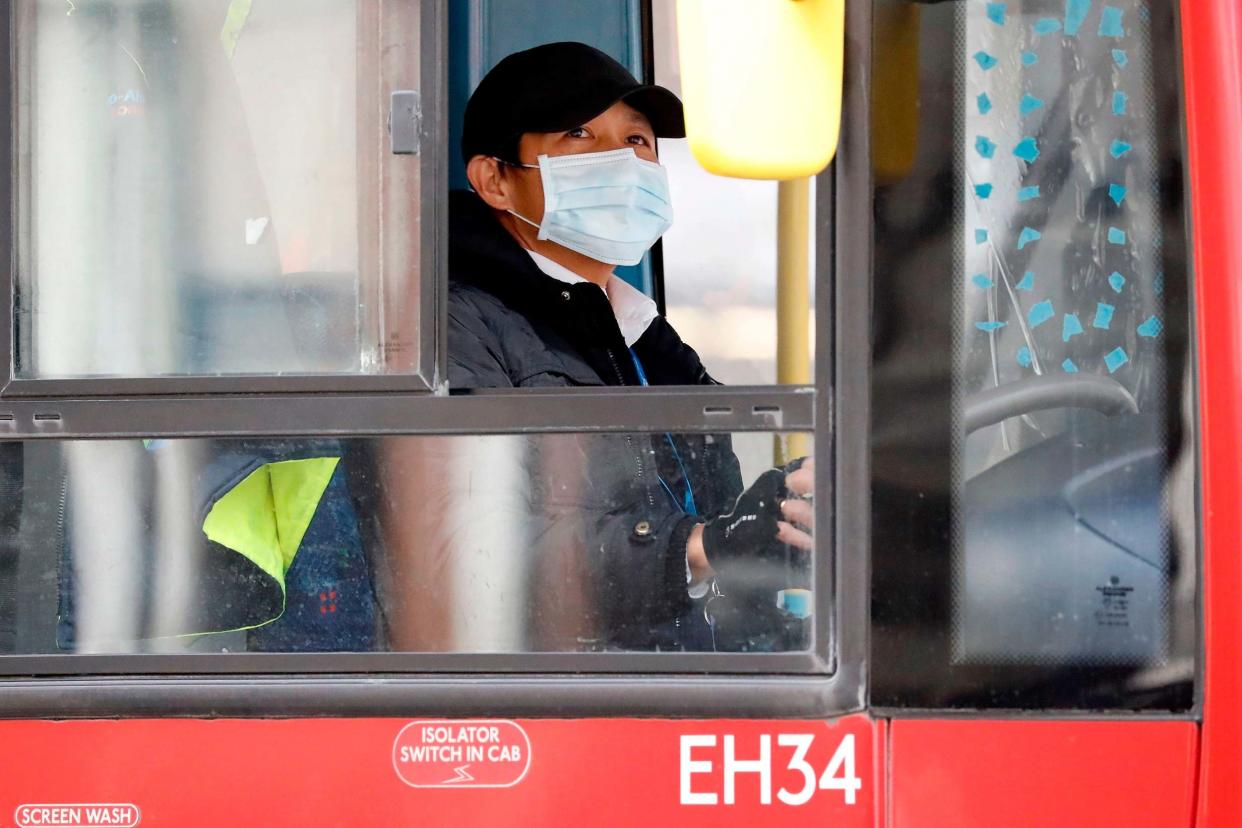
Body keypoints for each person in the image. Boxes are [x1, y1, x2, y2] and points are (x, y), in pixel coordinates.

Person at [448, 41, 813, 650]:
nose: (620, 160)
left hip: (677, 684)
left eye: (637, 141)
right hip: (562, 711)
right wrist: (702, 546)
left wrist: (770, 528)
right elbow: (478, 565)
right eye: (579, 135)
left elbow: (705, 552)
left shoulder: (641, 335)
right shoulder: (456, 328)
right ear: (496, 181)